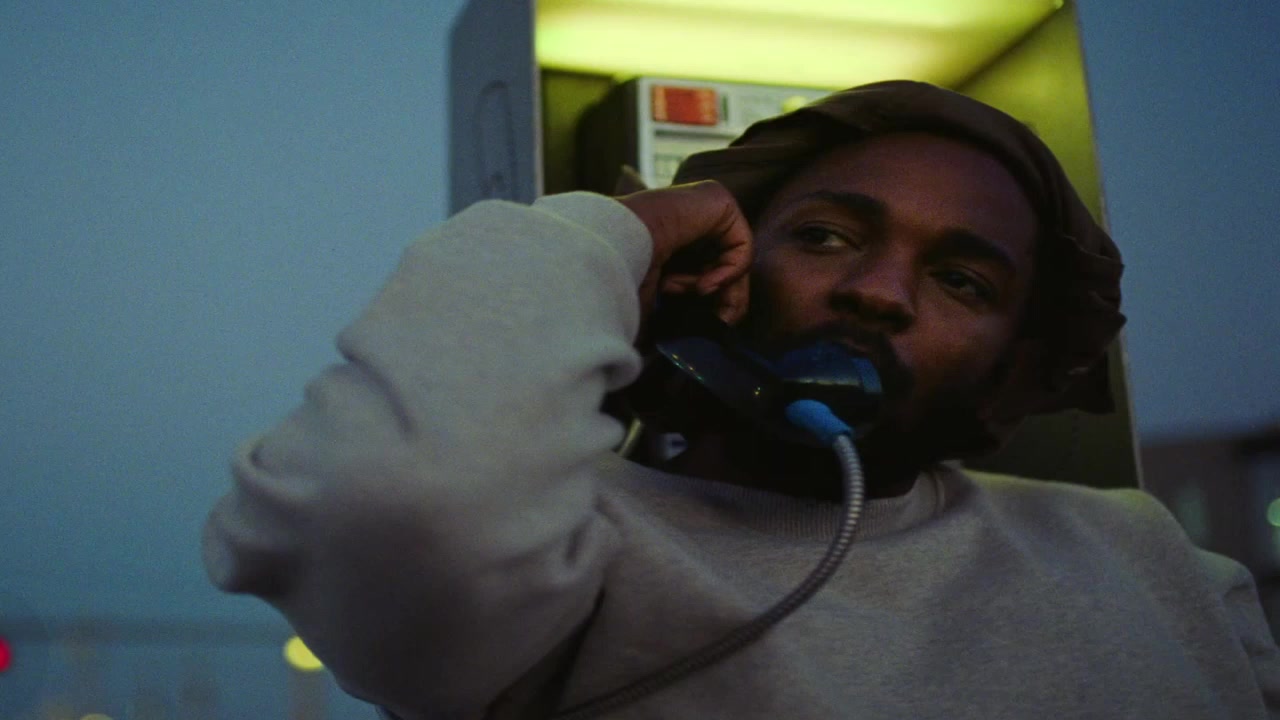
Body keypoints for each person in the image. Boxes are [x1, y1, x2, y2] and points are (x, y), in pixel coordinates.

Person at [203, 81, 1280, 719]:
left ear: (1015, 364)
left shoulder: (1144, 556)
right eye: (825, 236)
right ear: (717, 270)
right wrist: (611, 238)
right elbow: (397, 505)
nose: (878, 291)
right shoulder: (565, 544)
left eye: (961, 280)